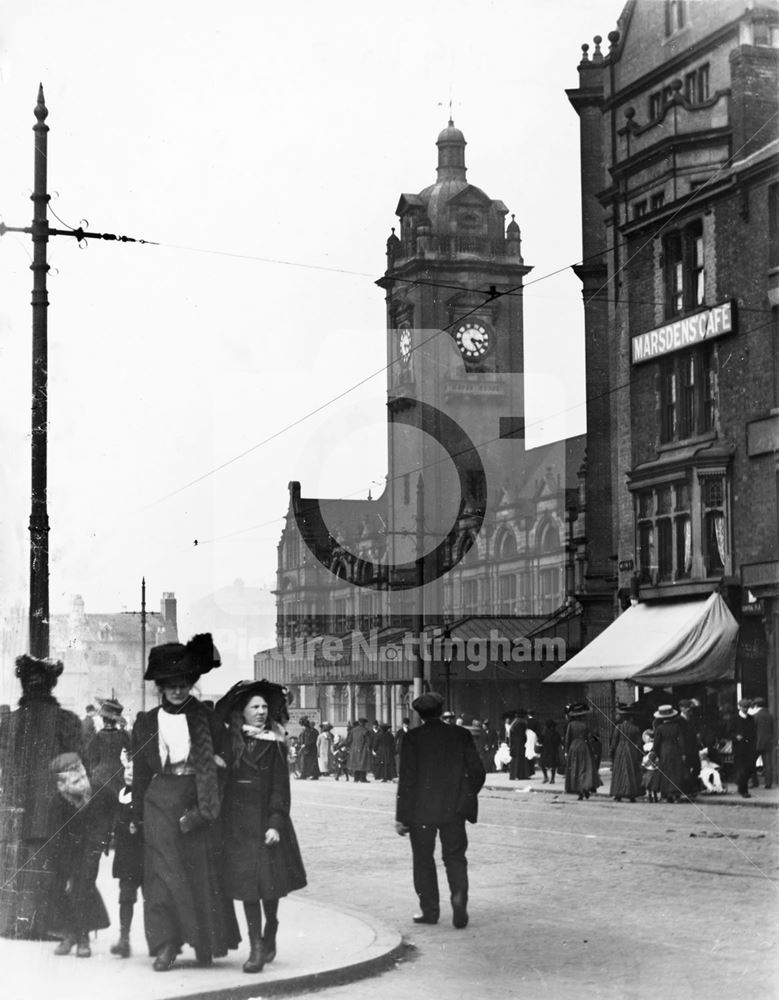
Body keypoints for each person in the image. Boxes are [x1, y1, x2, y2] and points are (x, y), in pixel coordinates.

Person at [131, 633, 239, 972]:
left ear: (191, 683)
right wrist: (135, 814)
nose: (178, 690)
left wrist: (218, 770)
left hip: (197, 799)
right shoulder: (147, 721)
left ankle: (204, 942)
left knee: (199, 873)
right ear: (160, 686)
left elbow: (227, 758)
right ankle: (166, 945)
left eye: (183, 684)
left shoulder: (206, 718)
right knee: (162, 877)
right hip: (159, 802)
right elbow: (139, 773)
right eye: (170, 684)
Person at [215, 680, 307, 974]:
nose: (261, 711)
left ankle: (272, 926)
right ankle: (255, 946)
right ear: (242, 712)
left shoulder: (275, 744)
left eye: (265, 706)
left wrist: (275, 823)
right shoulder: (231, 741)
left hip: (266, 824)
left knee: (269, 887)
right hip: (237, 826)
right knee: (248, 888)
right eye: (254, 706)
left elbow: (281, 789)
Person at [0, 654, 83, 939]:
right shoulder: (66, 721)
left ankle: (12, 924)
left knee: (13, 863)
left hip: (11, 808)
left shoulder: (8, 721)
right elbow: (74, 768)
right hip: (52, 809)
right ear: (52, 685)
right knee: (47, 864)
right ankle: (44, 925)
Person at [396, 692, 485, 929]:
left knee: (423, 860)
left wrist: (402, 818)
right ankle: (458, 899)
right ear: (441, 710)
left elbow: (406, 781)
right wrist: (465, 797)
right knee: (455, 857)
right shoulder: (460, 735)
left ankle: (430, 910)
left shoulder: (412, 738)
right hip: (454, 810)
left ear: (419, 714)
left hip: (420, 812)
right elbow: (478, 772)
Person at [46, 752, 113, 957]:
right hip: (67, 850)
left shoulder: (99, 790)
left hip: (91, 846)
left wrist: (104, 838)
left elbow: (113, 808)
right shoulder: (58, 801)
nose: (79, 778)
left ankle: (83, 936)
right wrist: (62, 864)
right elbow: (55, 835)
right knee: (62, 887)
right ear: (62, 782)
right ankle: (70, 933)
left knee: (84, 884)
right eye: (72, 775)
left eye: (79, 771)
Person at [110, 750, 144, 958]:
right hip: (126, 856)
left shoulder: (144, 794)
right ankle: (124, 938)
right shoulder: (121, 793)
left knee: (153, 897)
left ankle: (162, 941)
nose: (130, 772)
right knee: (126, 897)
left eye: (135, 768)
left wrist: (137, 825)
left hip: (143, 853)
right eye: (127, 767)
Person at [86, 697, 130, 801]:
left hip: (100, 773)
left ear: (103, 719)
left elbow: (91, 757)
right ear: (115, 721)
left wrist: (93, 770)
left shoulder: (97, 736)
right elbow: (131, 750)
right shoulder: (122, 734)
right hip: (118, 771)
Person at [652, 705, 687, 803]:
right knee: (676, 772)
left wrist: (656, 753)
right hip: (675, 750)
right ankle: (676, 794)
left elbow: (656, 743)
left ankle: (666, 795)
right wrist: (683, 753)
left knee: (666, 772)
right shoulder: (677, 727)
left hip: (664, 751)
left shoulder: (659, 728)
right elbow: (681, 741)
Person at [608, 704, 644, 802]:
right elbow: (639, 743)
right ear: (631, 717)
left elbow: (614, 742)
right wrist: (639, 755)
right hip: (631, 750)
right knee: (631, 770)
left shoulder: (618, 727)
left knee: (619, 770)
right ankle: (631, 794)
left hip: (620, 749)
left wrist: (612, 753)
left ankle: (618, 793)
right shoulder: (635, 728)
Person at [564, 703, 598, 800]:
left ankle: (579, 790)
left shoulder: (570, 725)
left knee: (575, 768)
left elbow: (567, 739)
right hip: (584, 746)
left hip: (573, 747)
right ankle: (585, 788)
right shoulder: (585, 725)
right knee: (584, 768)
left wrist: (566, 751)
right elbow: (590, 737)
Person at [731, 698, 756, 799]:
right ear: (739, 707)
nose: (745, 709)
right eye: (743, 707)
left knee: (750, 768)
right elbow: (728, 731)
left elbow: (754, 732)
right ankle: (743, 790)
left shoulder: (751, 718)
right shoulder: (734, 718)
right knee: (742, 769)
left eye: (747, 707)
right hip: (739, 748)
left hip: (749, 747)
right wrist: (735, 736)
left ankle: (740, 784)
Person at [751, 697, 775, 789]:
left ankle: (754, 782)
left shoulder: (756, 716)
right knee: (768, 764)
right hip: (768, 742)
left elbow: (753, 730)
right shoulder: (770, 716)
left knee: (751, 762)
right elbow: (772, 729)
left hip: (757, 743)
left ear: (756, 705)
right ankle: (768, 784)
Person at [346, 717, 372, 782]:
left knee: (356, 763)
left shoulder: (352, 730)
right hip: (363, 749)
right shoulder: (366, 731)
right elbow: (369, 742)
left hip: (354, 750)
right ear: (364, 723)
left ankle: (356, 778)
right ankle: (363, 778)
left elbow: (348, 741)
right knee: (363, 764)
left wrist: (347, 747)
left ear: (359, 723)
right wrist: (369, 748)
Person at [538, 719, 562, 784]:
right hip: (553, 751)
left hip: (545, 750)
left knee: (542, 764)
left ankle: (546, 777)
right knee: (553, 765)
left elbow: (540, 741)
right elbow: (559, 741)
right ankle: (552, 779)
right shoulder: (556, 733)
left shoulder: (544, 733)